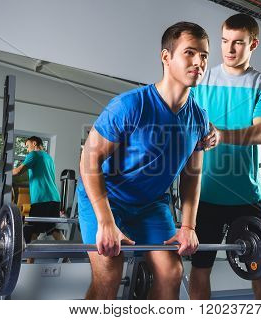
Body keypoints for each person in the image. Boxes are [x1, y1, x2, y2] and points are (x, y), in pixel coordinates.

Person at [78, 21, 210, 300]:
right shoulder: (130, 105)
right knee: (110, 273)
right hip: (106, 198)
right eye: (189, 53)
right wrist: (105, 221)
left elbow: (192, 175)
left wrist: (188, 226)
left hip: (151, 205)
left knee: (171, 274)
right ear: (166, 57)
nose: (199, 61)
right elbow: (89, 161)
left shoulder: (199, 118)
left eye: (204, 56)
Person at [189, 13, 261, 300]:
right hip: (205, 194)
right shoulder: (201, 80)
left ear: (253, 44)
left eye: (238, 43)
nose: (229, 49)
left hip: (248, 196)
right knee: (200, 269)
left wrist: (221, 135)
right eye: (225, 41)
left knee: (260, 267)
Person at [13, 136, 66, 252]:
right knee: (54, 230)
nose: (27, 150)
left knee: (33, 231)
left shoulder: (34, 155)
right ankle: (67, 258)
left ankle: (28, 262)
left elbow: (18, 171)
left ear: (34, 143)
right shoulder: (48, 158)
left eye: (27, 146)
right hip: (54, 198)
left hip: (42, 199)